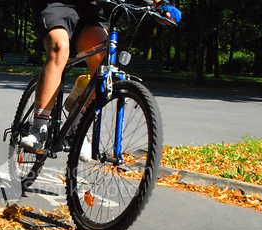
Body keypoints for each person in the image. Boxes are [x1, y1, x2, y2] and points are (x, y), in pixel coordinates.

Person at [20, 0, 181, 154]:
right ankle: (39, 129)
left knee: (104, 64)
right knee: (59, 48)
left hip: (88, 9)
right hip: (54, 4)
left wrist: (161, 4)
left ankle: (76, 123)